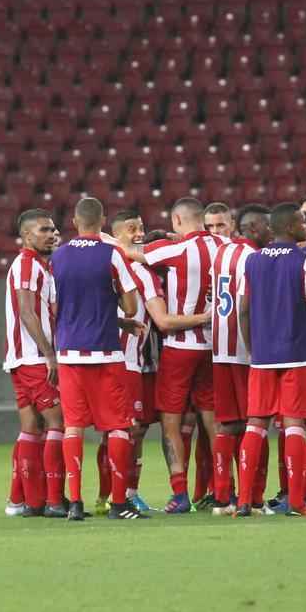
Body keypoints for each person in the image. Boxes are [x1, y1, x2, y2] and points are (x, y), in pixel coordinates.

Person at [95, 209, 210, 515]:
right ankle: (113, 495)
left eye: (141, 228)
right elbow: (162, 320)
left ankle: (124, 492)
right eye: (131, 229)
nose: (138, 234)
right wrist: (208, 317)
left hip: (143, 362)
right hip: (124, 361)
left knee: (137, 430)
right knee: (124, 430)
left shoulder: (128, 266)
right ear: (117, 235)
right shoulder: (132, 270)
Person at [235, 203, 306, 517]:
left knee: (256, 424)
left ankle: (243, 501)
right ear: (289, 226)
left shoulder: (252, 261)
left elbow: (242, 309)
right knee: (295, 423)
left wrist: (253, 349)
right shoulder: (304, 262)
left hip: (263, 355)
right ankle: (297, 502)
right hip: (296, 354)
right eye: (301, 222)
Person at [122, 196, 227, 513]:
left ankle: (180, 494)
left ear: (178, 221)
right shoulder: (224, 246)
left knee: (171, 421)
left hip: (180, 346)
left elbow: (128, 252)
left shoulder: (177, 250)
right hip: (216, 348)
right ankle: (225, 490)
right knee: (213, 420)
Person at [49, 197, 144, 521]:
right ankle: (118, 504)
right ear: (102, 221)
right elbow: (131, 307)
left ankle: (74, 503)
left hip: (69, 353)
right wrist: (114, 308)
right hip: (105, 352)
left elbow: (55, 307)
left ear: (75, 222)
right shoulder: (111, 253)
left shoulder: (57, 257)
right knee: (117, 427)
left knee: (74, 427)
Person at [2, 209, 67, 519]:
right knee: (59, 423)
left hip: (22, 358)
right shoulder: (27, 264)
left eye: (53, 228)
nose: (51, 234)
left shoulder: (41, 266)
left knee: (31, 427)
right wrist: (49, 354)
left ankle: (25, 500)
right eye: (44, 230)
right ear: (27, 236)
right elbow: (27, 313)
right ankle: (53, 500)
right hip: (34, 358)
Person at [209, 204, 273, 515]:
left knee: (227, 424)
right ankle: (256, 499)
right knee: (256, 424)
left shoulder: (221, 252)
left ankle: (223, 498)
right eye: (268, 227)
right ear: (255, 228)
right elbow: (249, 306)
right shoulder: (253, 256)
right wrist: (256, 349)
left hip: (220, 348)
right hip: (247, 352)